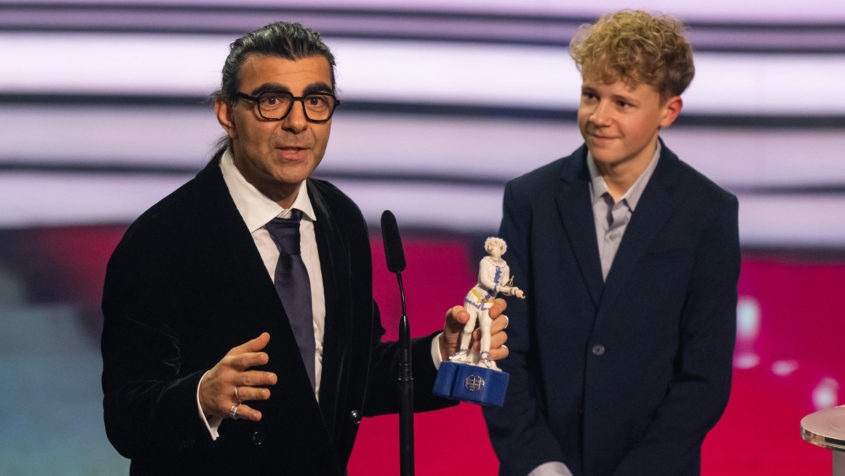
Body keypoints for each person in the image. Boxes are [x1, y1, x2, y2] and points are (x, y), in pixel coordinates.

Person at [100, 21, 508, 475]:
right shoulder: (162, 239)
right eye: (272, 101)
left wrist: (442, 354)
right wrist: (202, 396)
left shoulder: (340, 219)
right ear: (226, 113)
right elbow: (126, 417)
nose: (297, 123)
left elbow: (354, 378)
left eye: (315, 102)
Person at [482, 10, 740, 476]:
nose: (598, 117)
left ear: (668, 110)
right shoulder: (530, 200)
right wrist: (538, 461)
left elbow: (704, 378)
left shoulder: (709, 213)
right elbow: (502, 352)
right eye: (590, 96)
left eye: (622, 102)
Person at [452, 237, 524, 370]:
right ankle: (462, 353)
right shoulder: (484, 262)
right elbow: (484, 281)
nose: (491, 246)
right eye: (489, 244)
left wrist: (514, 290)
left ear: (501, 248)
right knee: (468, 327)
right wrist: (502, 288)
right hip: (475, 298)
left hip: (488, 303)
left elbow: (505, 286)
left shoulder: (505, 267)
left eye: (494, 244)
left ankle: (484, 358)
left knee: (486, 330)